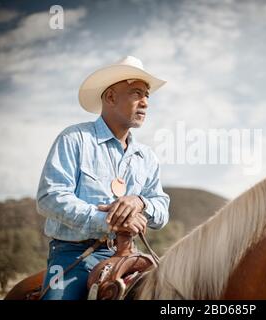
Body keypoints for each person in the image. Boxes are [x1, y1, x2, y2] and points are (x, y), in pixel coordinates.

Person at [36, 56, 170, 300]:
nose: (145, 103)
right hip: (74, 254)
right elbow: (49, 197)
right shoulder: (74, 139)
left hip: (131, 255)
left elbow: (162, 210)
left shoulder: (147, 157)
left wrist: (140, 201)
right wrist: (110, 222)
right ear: (110, 97)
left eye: (147, 95)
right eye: (137, 93)